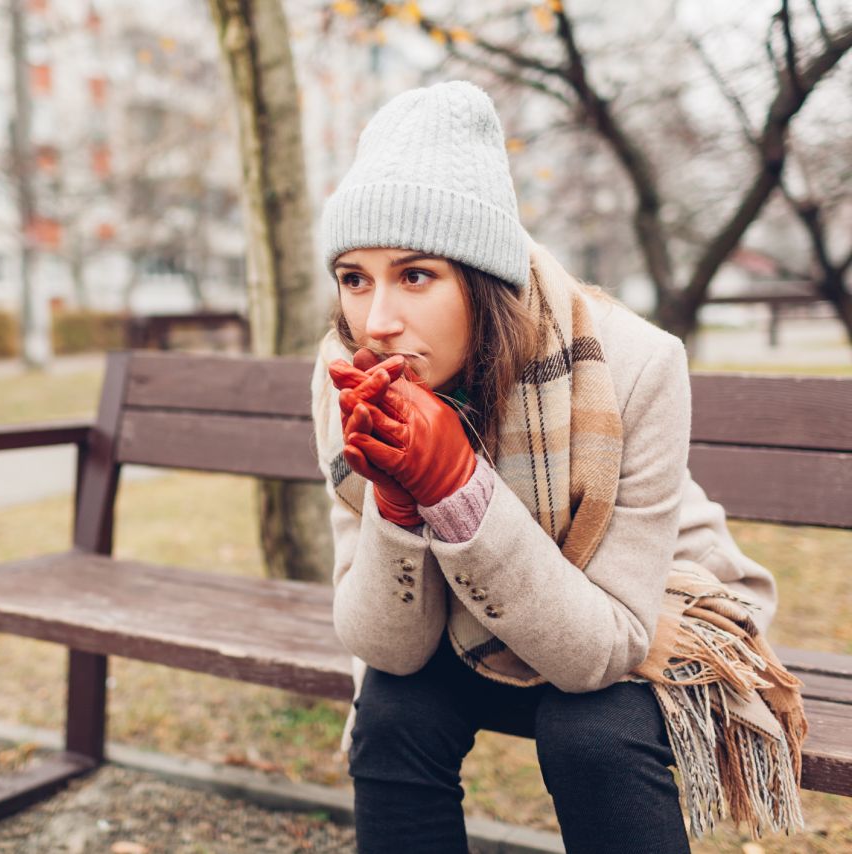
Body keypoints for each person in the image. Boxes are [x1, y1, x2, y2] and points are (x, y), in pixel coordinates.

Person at [309, 81, 808, 854]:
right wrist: (402, 505)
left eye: (415, 275)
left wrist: (458, 492)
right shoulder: (347, 371)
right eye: (354, 278)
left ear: (483, 278)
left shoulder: (637, 364)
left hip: (644, 594)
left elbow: (601, 647)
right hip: (459, 609)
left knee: (593, 733)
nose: (376, 322)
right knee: (393, 713)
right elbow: (389, 644)